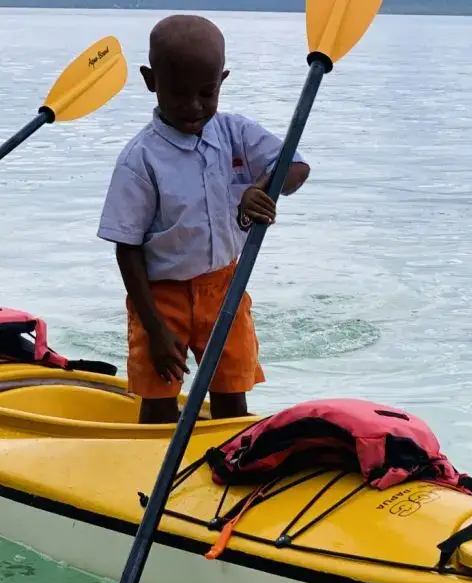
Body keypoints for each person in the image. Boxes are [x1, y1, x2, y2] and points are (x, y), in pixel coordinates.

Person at [97, 14, 311, 425]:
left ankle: (227, 472)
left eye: (206, 92)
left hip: (224, 288)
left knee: (231, 396)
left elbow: (296, 166)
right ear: (150, 80)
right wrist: (154, 328)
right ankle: (150, 477)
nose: (194, 106)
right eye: (178, 93)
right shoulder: (140, 159)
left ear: (222, 81)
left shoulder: (234, 133)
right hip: (160, 297)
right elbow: (127, 248)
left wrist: (263, 189)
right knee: (160, 400)